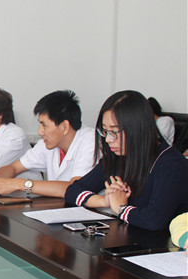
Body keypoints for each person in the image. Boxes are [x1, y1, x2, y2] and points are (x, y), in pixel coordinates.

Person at [65, 90, 188, 231]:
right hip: (130, 237)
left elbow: (153, 220)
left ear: (137, 129)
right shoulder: (118, 157)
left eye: (114, 132)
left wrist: (121, 208)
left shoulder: (171, 164)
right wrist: (105, 201)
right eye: (105, 131)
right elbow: (72, 191)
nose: (108, 139)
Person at [0, 90, 96, 198]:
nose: (40, 131)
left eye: (44, 125)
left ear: (64, 127)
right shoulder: (48, 143)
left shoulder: (90, 141)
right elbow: (14, 168)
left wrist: (19, 184)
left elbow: (75, 189)